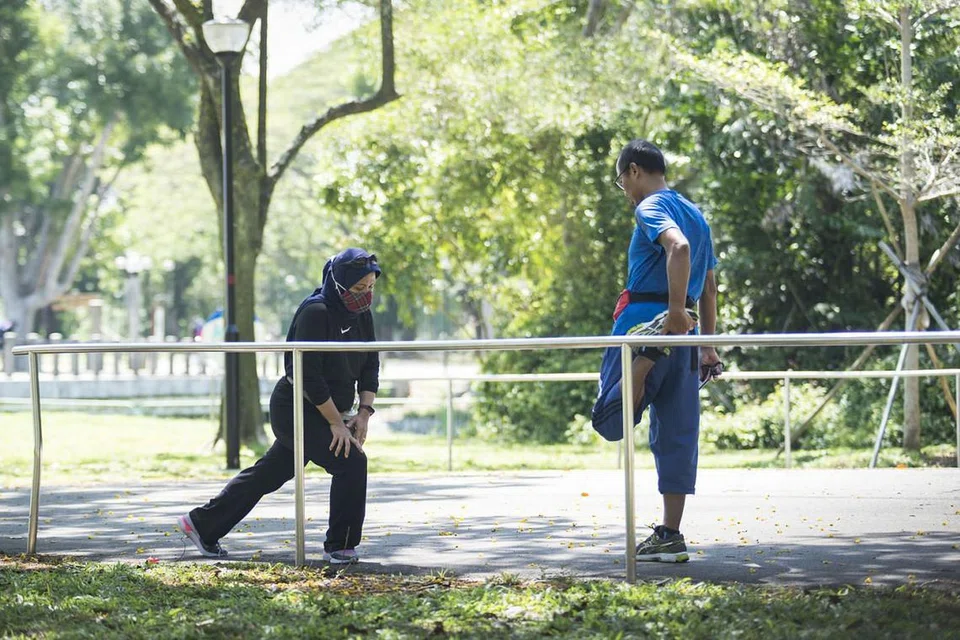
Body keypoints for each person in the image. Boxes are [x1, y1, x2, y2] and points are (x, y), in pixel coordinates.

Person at [178, 248, 381, 564]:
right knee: (351, 462)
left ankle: (201, 524)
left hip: (330, 411)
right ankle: (340, 545)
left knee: (270, 474)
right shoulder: (316, 312)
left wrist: (364, 413)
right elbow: (307, 376)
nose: (365, 296)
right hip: (297, 407)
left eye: (370, 288)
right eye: (358, 289)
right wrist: (336, 423)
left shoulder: (362, 315)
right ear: (339, 284)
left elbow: (371, 363)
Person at [591, 139, 722, 563]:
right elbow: (711, 284)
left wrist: (668, 316)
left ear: (633, 171)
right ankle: (670, 534)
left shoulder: (649, 208)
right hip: (686, 334)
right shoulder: (698, 215)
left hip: (649, 323)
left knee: (610, 420)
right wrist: (706, 345)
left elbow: (677, 248)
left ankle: (647, 358)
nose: (625, 190)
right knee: (678, 433)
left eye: (621, 181)